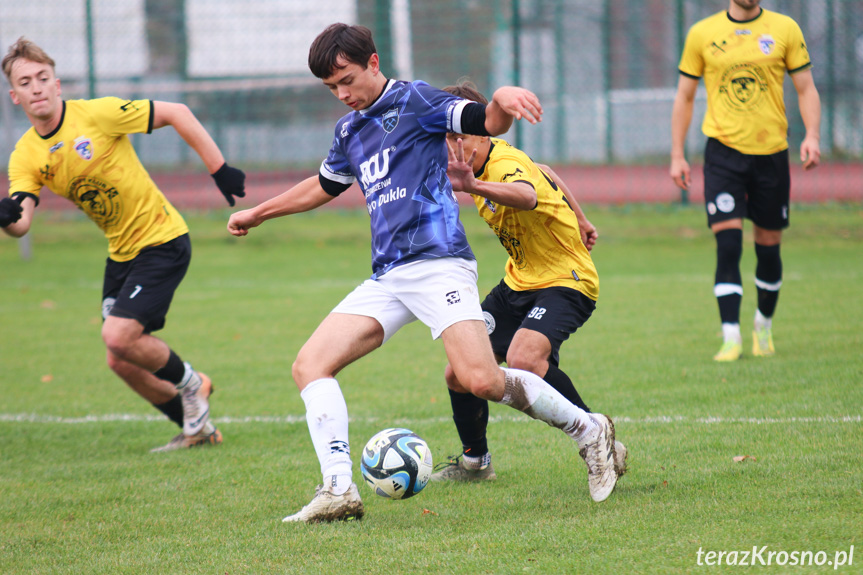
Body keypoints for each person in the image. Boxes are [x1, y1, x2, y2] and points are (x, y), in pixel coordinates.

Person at [227, 23, 619, 523]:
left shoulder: (417, 101)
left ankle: (589, 431)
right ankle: (339, 490)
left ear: (372, 62)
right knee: (309, 365)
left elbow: (487, 122)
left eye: (346, 79)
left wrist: (500, 99)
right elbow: (323, 186)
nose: (342, 94)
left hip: (438, 266)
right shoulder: (349, 131)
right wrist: (259, 213)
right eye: (331, 88)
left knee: (480, 379)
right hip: (389, 276)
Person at [1, 37, 246, 451]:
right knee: (120, 358)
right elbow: (21, 221)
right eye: (26, 82)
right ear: (15, 96)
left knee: (117, 336)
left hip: (162, 239)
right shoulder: (25, 154)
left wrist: (219, 169)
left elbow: (177, 112)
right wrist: (6, 218)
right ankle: (199, 431)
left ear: (57, 84)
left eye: (43, 78)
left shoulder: (97, 114)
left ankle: (193, 384)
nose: (37, 87)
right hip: (121, 254)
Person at [429, 82, 627, 482]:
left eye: (459, 136)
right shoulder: (474, 165)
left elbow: (527, 194)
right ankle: (476, 463)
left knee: (525, 360)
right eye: (445, 137)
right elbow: (546, 173)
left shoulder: (499, 166)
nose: (452, 146)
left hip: (566, 279)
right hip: (518, 283)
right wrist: (582, 218)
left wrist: (475, 186)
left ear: (482, 130)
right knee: (459, 373)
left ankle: (595, 434)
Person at [670, 0, 821, 361]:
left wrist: (812, 135)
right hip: (723, 154)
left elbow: (806, 88)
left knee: (768, 248)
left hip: (771, 153)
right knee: (729, 244)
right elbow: (685, 96)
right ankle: (731, 336)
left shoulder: (785, 29)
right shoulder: (702, 33)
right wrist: (677, 154)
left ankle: (763, 326)